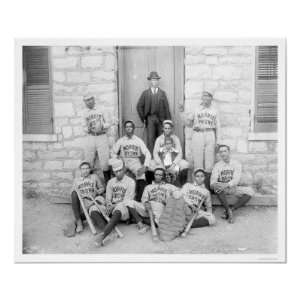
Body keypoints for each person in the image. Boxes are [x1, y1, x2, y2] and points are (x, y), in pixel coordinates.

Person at [94, 159, 147, 247]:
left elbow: (127, 200)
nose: (118, 173)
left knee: (119, 208)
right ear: (113, 172)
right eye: (116, 171)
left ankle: (103, 235)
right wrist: (109, 205)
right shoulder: (111, 182)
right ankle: (108, 230)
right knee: (94, 208)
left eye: (120, 170)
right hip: (112, 207)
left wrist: (113, 206)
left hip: (124, 209)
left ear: (124, 169)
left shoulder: (130, 182)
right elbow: (108, 198)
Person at [180, 91, 220, 190]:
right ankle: (197, 187)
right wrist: (182, 112)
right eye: (204, 97)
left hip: (210, 133)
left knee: (209, 162)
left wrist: (218, 141)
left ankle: (207, 188)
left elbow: (218, 127)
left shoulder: (214, 110)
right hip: (198, 134)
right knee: (198, 161)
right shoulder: (196, 109)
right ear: (202, 98)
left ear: (211, 99)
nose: (206, 99)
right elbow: (188, 123)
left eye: (209, 97)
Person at [210, 145, 255, 224]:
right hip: (221, 189)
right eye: (221, 152)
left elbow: (236, 180)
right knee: (217, 188)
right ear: (219, 154)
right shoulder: (217, 165)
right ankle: (228, 211)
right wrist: (217, 185)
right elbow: (213, 181)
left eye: (225, 151)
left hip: (233, 187)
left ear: (229, 152)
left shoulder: (236, 163)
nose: (223, 153)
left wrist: (226, 185)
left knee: (250, 191)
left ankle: (231, 209)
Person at [111, 120, 151, 202]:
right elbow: (113, 152)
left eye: (130, 127)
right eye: (127, 127)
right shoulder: (121, 140)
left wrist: (145, 166)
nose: (128, 128)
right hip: (123, 161)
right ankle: (119, 199)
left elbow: (147, 153)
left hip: (134, 161)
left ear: (133, 128)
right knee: (119, 175)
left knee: (141, 175)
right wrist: (117, 159)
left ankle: (139, 200)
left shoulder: (138, 140)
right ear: (124, 129)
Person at [66, 161, 105, 236]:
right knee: (74, 193)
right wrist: (79, 194)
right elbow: (72, 194)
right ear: (80, 170)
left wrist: (98, 191)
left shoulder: (94, 177)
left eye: (87, 168)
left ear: (90, 169)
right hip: (83, 203)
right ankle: (79, 222)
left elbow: (102, 188)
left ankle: (81, 219)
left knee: (98, 203)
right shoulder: (76, 180)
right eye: (83, 169)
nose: (85, 170)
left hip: (93, 201)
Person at [136, 71, 171, 154]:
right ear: (150, 81)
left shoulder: (162, 93)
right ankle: (151, 160)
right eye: (152, 80)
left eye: (156, 80)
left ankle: (161, 158)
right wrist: (144, 118)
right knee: (150, 139)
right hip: (150, 119)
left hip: (161, 120)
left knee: (161, 139)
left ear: (158, 81)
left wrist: (168, 122)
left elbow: (166, 108)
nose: (154, 82)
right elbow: (139, 106)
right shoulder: (145, 93)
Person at [82, 95, 113, 184]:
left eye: (90, 99)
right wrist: (88, 128)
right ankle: (90, 184)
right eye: (86, 100)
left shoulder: (101, 109)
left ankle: (108, 185)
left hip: (101, 136)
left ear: (93, 100)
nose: (89, 102)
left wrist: (101, 125)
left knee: (105, 162)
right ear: (85, 102)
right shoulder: (84, 112)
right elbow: (83, 127)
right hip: (91, 137)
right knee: (89, 160)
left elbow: (109, 123)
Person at [151, 120, 189, 186]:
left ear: (171, 129)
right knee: (150, 164)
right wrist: (161, 164)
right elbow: (155, 153)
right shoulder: (159, 139)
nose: (167, 130)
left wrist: (173, 165)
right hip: (162, 161)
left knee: (186, 164)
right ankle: (156, 184)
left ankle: (181, 185)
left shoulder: (175, 138)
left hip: (173, 160)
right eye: (165, 128)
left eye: (169, 128)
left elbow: (180, 153)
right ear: (163, 129)